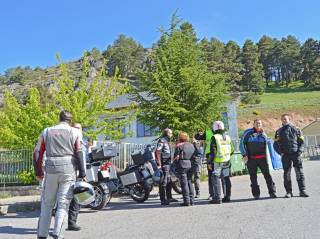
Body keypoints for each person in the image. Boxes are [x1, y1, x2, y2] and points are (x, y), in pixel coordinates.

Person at [33, 111, 86, 239]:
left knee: (47, 203)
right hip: (68, 169)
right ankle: (57, 233)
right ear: (70, 120)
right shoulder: (75, 132)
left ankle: (42, 234)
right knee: (63, 204)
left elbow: (37, 153)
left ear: (59, 119)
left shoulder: (47, 131)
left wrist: (38, 172)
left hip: (51, 169)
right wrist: (82, 173)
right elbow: (79, 153)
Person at [274, 114, 309, 198]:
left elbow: (302, 142)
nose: (284, 120)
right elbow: (275, 144)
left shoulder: (296, 129)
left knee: (299, 172)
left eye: (286, 119)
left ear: (289, 119)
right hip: (285, 155)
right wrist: (281, 153)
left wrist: (299, 151)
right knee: (287, 174)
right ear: (281, 120)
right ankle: (289, 192)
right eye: (283, 119)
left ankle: (302, 191)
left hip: (296, 154)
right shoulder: (278, 131)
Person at [240, 119, 277, 200]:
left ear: (261, 125)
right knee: (253, 178)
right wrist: (244, 155)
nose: (258, 125)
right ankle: (256, 194)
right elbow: (241, 143)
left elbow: (268, 145)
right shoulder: (248, 132)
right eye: (257, 123)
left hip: (262, 159)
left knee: (267, 176)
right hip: (251, 159)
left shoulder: (264, 134)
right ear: (253, 124)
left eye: (260, 123)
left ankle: (272, 192)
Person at [67, 123, 86, 231]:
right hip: (72, 173)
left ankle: (72, 222)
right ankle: (67, 221)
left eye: (78, 128)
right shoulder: (70, 142)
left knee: (79, 197)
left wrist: (83, 173)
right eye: (74, 128)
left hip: (80, 174)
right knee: (71, 197)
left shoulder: (84, 142)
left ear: (82, 130)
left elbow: (84, 158)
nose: (76, 130)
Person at [209, 121, 233, 204]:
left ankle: (217, 198)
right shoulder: (228, 137)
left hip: (218, 162)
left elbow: (213, 151)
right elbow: (232, 150)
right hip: (227, 160)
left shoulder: (214, 137)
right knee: (226, 178)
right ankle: (227, 197)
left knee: (215, 178)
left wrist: (210, 162)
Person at [155, 128, 178, 205]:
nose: (171, 135)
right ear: (167, 133)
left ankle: (169, 197)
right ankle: (163, 199)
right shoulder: (162, 141)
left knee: (169, 181)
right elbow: (158, 152)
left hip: (169, 163)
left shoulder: (167, 141)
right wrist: (159, 164)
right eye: (170, 133)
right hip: (164, 164)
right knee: (163, 182)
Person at [174, 132, 196, 206]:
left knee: (184, 183)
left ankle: (186, 201)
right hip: (191, 165)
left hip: (182, 165)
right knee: (189, 182)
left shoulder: (179, 145)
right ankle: (192, 200)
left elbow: (175, 157)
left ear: (180, 138)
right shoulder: (191, 145)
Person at [195, 127, 215, 200]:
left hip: (219, 156)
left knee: (222, 177)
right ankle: (212, 194)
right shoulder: (208, 132)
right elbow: (198, 137)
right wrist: (199, 132)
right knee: (210, 176)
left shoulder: (221, 132)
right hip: (210, 156)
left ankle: (225, 195)